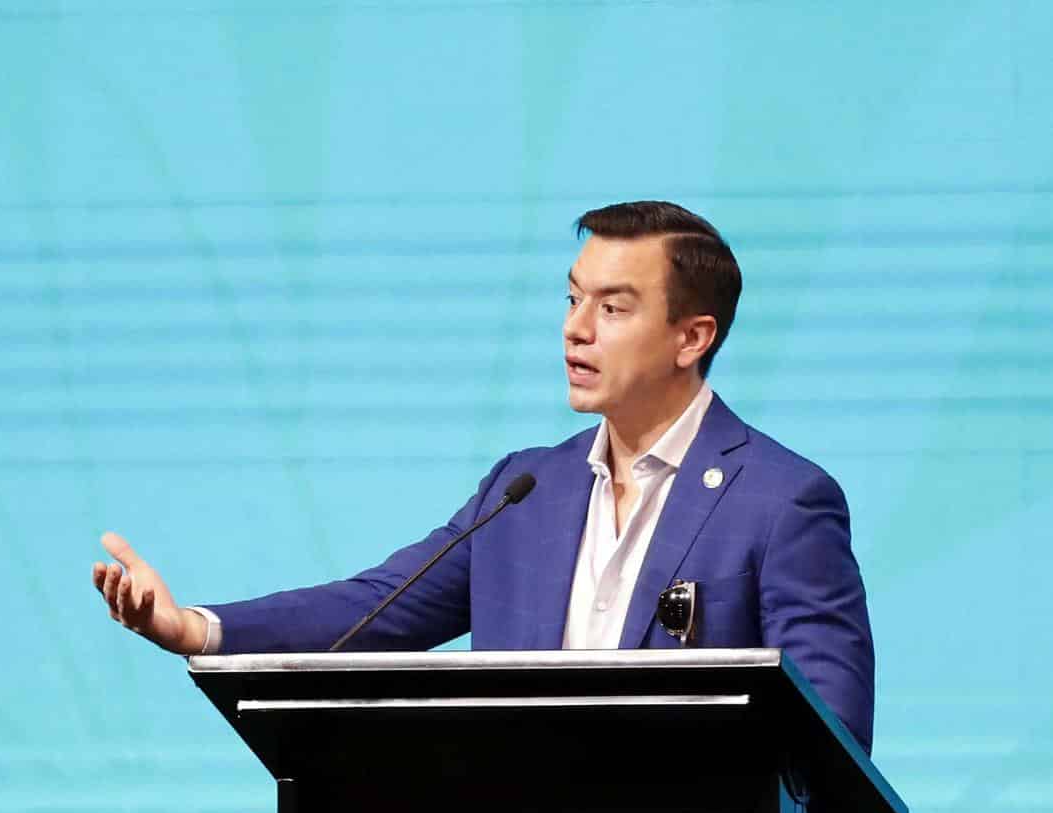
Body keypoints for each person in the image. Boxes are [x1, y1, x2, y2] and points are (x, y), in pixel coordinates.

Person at [91, 201, 876, 751]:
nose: (575, 327)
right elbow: (377, 611)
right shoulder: (525, 492)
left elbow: (831, 729)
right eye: (573, 299)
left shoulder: (781, 500)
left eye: (613, 307)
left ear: (690, 337)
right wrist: (193, 628)